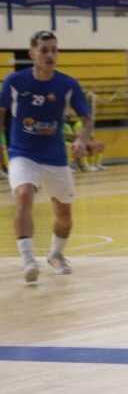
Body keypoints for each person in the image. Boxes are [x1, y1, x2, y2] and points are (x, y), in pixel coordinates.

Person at [0, 30, 91, 283]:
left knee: (63, 216)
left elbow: (86, 119)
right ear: (32, 54)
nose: (50, 55)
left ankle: (56, 254)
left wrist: (82, 139)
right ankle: (28, 260)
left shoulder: (68, 84)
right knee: (24, 196)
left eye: (54, 49)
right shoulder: (15, 82)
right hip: (22, 154)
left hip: (55, 158)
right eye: (44, 50)